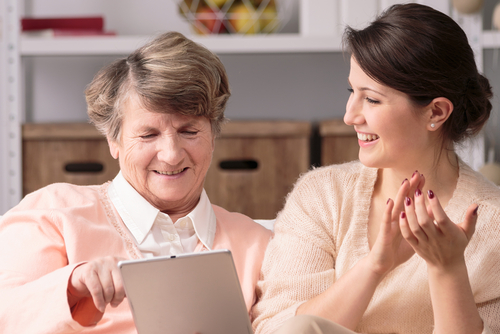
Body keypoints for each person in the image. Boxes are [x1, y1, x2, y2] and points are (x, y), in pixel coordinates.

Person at [252, 4, 500, 334]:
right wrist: (374, 265)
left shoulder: (494, 227)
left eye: (371, 99)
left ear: (436, 112)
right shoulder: (323, 196)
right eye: (352, 92)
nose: (350, 116)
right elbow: (277, 328)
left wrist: (448, 268)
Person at [0, 31, 272, 333]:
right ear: (113, 141)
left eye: (189, 131)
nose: (170, 155)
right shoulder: (52, 214)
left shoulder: (261, 245)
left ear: (213, 135)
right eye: (148, 135)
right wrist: (72, 284)